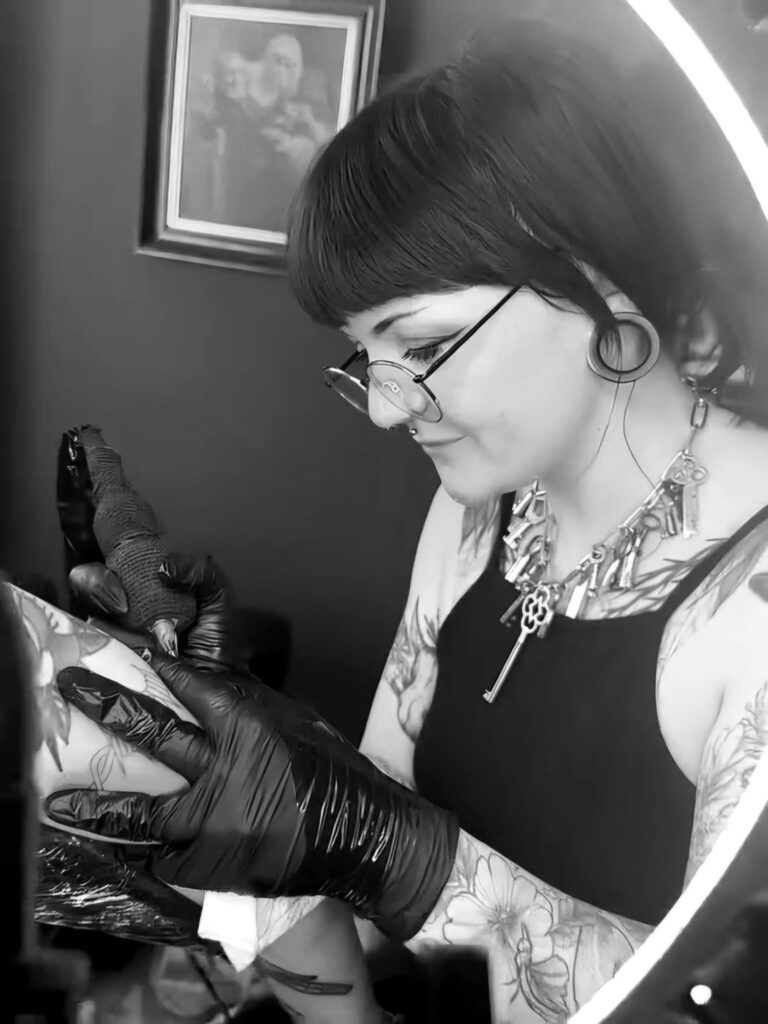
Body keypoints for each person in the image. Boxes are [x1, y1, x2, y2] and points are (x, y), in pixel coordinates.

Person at [46, 17, 768, 1024]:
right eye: (363, 356)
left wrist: (391, 851)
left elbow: (707, 1005)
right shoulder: (478, 516)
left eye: (421, 344)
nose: (386, 408)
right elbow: (376, 827)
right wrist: (242, 750)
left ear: (607, 280)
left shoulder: (751, 617)